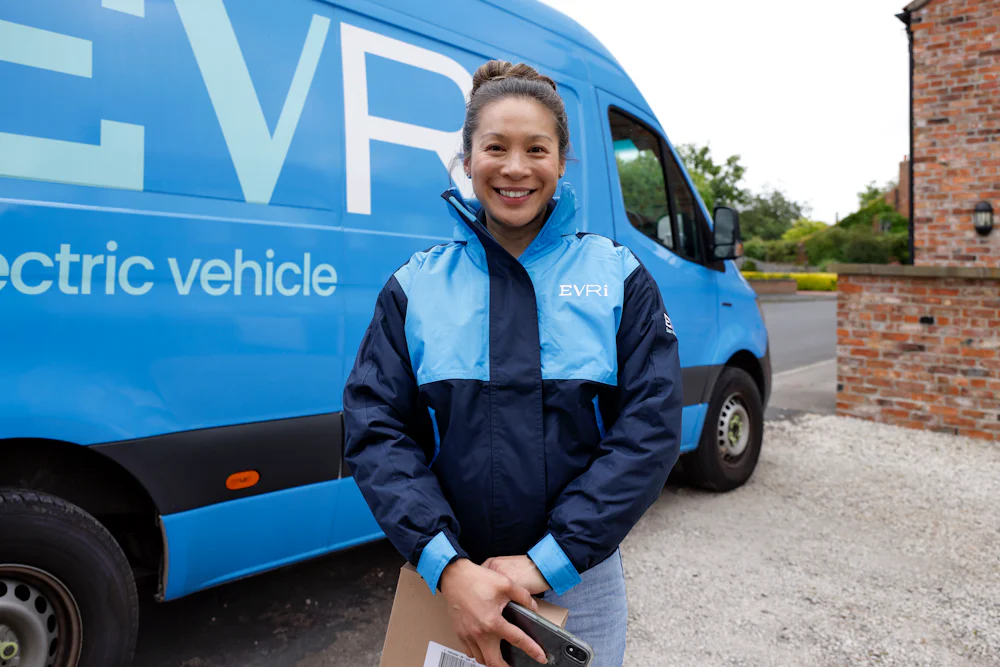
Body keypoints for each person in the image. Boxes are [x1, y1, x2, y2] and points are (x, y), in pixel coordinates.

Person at [343, 59, 683, 667]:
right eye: (495, 147)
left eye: (537, 148)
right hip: (456, 583)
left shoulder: (619, 278)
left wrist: (545, 561)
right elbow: (377, 433)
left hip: (582, 577)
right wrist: (447, 568)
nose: (516, 168)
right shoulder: (413, 286)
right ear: (467, 158)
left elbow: (649, 431)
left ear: (561, 160)